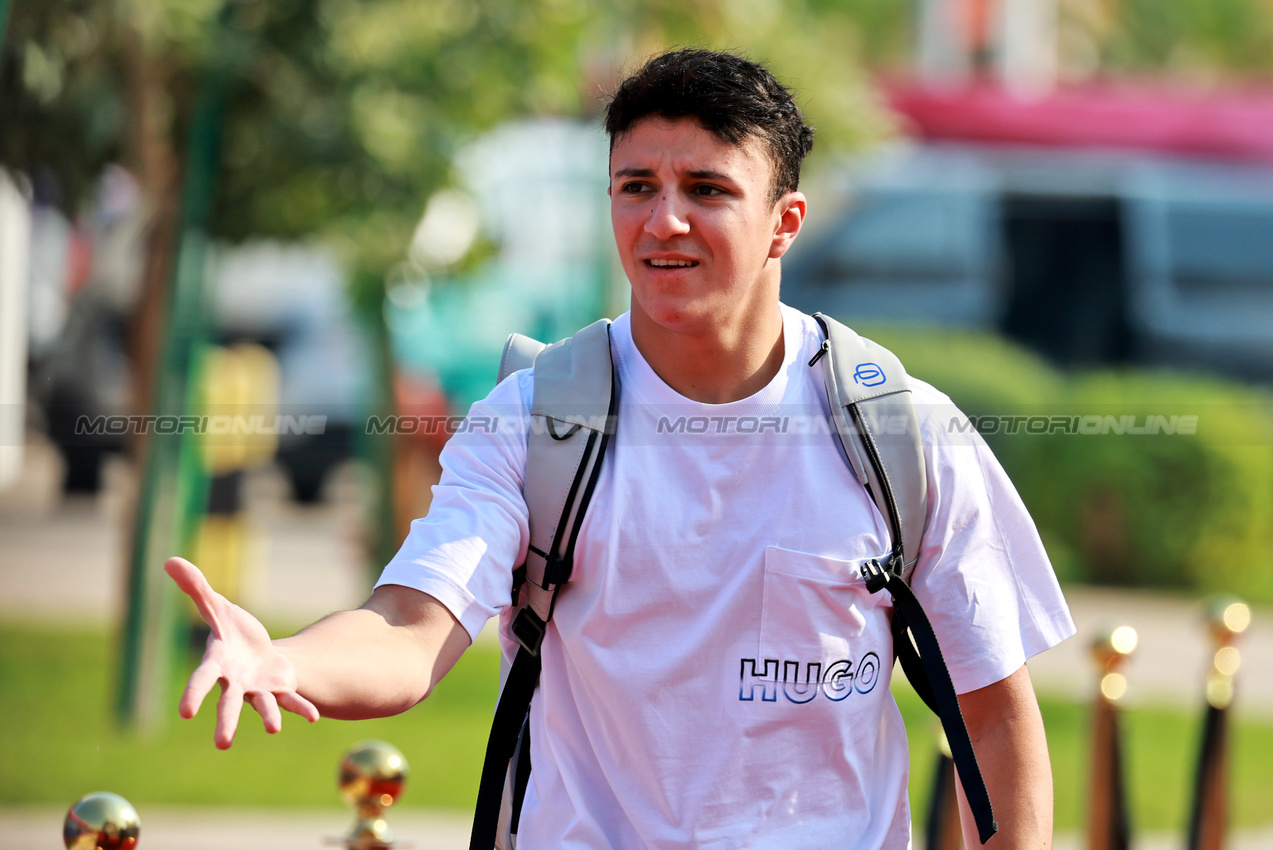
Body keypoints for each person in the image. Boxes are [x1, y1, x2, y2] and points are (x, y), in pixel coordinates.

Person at [168, 48, 1075, 848]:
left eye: (707, 190)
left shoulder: (899, 433)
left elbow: (993, 714)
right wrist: (288, 660)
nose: (662, 221)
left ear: (785, 222)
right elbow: (409, 633)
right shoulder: (537, 421)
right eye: (636, 186)